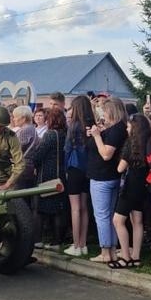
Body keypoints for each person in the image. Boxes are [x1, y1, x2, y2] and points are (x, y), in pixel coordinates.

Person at [87, 98, 128, 264]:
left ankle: (105, 251)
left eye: (104, 110)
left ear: (112, 111)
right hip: (111, 177)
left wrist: (97, 136)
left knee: (102, 216)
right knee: (109, 215)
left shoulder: (116, 130)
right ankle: (111, 250)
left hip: (102, 177)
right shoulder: (118, 129)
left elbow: (106, 154)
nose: (102, 113)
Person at [111, 114, 151, 268]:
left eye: (129, 127)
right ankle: (136, 256)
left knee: (118, 220)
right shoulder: (149, 142)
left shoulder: (130, 144)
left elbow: (120, 168)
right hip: (143, 186)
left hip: (129, 186)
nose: (127, 130)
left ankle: (126, 256)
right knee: (138, 221)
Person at [28, 107, 67, 249]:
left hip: (47, 175)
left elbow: (38, 155)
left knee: (38, 208)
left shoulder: (50, 135)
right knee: (58, 209)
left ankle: (37, 240)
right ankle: (57, 241)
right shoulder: (64, 133)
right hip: (61, 174)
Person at [64, 95, 94, 257]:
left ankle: (76, 245)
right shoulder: (91, 125)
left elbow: (67, 149)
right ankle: (83, 244)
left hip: (74, 167)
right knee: (84, 207)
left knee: (75, 208)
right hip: (88, 169)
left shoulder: (74, 126)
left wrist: (65, 169)